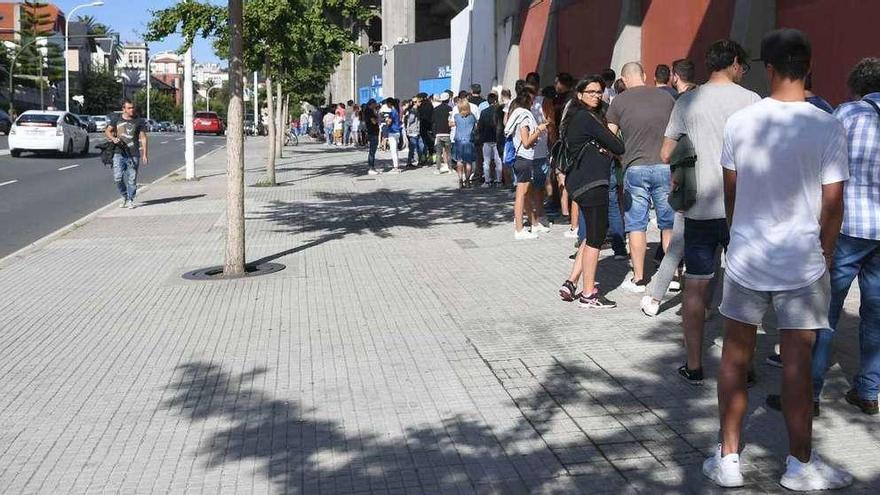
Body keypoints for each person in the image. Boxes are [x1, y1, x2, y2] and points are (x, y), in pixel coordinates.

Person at [704, 28, 852, 491]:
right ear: (808, 66)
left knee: (734, 357)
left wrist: (738, 231)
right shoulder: (827, 124)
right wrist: (825, 251)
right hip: (803, 261)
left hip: (748, 254)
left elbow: (732, 191)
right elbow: (834, 202)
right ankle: (799, 467)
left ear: (768, 68)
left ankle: (729, 459)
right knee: (797, 364)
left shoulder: (741, 123)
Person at [655, 40, 761, 383]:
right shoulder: (752, 101)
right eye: (742, 64)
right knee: (744, 287)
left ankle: (695, 364)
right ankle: (744, 365)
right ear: (733, 62)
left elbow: (665, 152)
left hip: (701, 207)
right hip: (743, 207)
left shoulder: (688, 101)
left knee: (696, 287)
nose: (743, 70)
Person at [808, 57, 880, 417]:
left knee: (826, 310)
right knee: (876, 314)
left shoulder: (848, 114)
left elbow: (823, 167)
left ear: (856, 84)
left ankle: (812, 393)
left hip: (848, 228)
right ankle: (868, 390)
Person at [606, 62, 676, 293]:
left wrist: (620, 156)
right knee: (668, 224)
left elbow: (610, 138)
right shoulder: (666, 98)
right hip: (665, 166)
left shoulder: (618, 101)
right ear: (645, 75)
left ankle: (638, 278)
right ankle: (672, 276)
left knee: (636, 224)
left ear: (624, 80)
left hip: (634, 167)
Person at [559, 75, 625, 308]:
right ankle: (589, 294)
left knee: (591, 234)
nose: (597, 96)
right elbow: (619, 146)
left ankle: (571, 282)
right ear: (580, 94)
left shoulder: (574, 117)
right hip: (592, 183)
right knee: (596, 238)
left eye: (599, 92)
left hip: (579, 182)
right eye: (591, 92)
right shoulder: (587, 118)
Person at [505, 91, 548, 240]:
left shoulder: (516, 117)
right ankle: (519, 229)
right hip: (524, 158)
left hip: (521, 159)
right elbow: (526, 141)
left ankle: (534, 223)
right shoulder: (523, 119)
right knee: (521, 195)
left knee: (526, 193)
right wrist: (538, 131)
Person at [106, 99, 148, 209]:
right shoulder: (116, 119)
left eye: (133, 107)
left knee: (132, 179)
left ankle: (130, 199)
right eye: (129, 108)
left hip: (133, 154)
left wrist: (144, 154)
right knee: (118, 177)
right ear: (123, 109)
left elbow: (143, 138)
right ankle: (124, 196)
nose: (132, 110)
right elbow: (108, 131)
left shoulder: (139, 121)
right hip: (118, 153)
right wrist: (113, 138)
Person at [477, 92, 503, 187]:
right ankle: (499, 181)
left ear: (488, 101)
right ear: (496, 100)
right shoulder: (500, 111)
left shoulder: (484, 112)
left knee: (486, 161)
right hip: (497, 138)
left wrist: (480, 136)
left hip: (486, 138)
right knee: (498, 160)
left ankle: (487, 181)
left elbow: (480, 126)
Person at [451, 99, 478, 188]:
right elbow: (476, 127)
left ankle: (460, 179)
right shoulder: (472, 117)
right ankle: (467, 180)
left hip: (459, 141)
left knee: (459, 161)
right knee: (469, 162)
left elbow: (452, 123)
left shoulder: (456, 117)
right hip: (469, 141)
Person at [432, 92, 453, 174]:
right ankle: (450, 168)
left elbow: (433, 122)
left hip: (438, 133)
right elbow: (450, 120)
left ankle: (438, 169)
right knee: (448, 152)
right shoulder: (450, 109)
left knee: (438, 152)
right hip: (447, 133)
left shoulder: (436, 109)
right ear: (448, 100)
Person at [384, 98, 403, 173]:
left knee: (393, 150)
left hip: (392, 132)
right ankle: (396, 165)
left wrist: (386, 120)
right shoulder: (397, 111)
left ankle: (395, 167)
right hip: (397, 131)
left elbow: (389, 122)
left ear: (389, 103)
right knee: (395, 150)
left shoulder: (392, 112)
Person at [404, 98, 424, 168]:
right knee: (413, 148)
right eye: (419, 101)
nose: (421, 103)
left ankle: (415, 162)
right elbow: (410, 120)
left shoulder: (415, 110)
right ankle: (409, 163)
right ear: (415, 102)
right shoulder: (413, 111)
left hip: (416, 131)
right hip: (413, 132)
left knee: (420, 146)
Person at [363, 99, 381, 175]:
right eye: (375, 103)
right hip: (373, 132)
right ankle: (371, 167)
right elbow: (373, 121)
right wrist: (378, 119)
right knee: (372, 151)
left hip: (371, 132)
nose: (376, 105)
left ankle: (371, 167)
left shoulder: (368, 110)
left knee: (372, 151)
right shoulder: (369, 111)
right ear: (372, 104)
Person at [417, 92, 435, 164]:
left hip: (422, 126)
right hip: (429, 127)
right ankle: (430, 157)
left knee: (422, 143)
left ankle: (422, 158)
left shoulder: (420, 106)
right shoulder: (430, 105)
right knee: (429, 143)